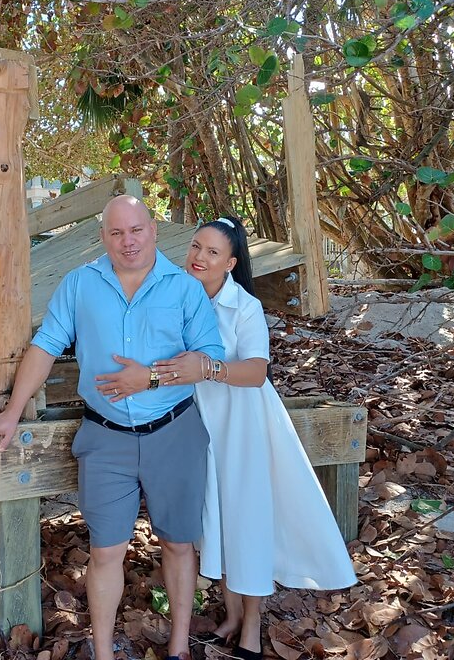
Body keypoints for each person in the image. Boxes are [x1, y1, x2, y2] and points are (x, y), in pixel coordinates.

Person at [0, 195, 224, 660]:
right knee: (106, 550)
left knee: (177, 543)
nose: (127, 241)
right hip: (105, 435)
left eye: (136, 230)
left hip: (175, 431)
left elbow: (208, 360)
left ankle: (178, 647)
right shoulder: (80, 284)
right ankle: (103, 653)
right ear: (103, 237)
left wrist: (150, 376)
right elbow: (47, 343)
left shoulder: (184, 288)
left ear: (153, 230)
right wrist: (12, 412)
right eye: (116, 233)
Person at [110, 217, 358, 660]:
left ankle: (253, 627)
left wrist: (208, 368)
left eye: (212, 252)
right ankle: (230, 612)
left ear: (230, 262)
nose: (199, 257)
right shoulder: (176, 296)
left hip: (243, 423)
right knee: (213, 518)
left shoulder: (243, 306)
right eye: (195, 247)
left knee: (246, 519)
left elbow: (257, 372)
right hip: (193, 421)